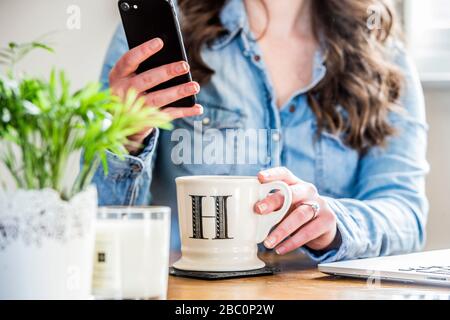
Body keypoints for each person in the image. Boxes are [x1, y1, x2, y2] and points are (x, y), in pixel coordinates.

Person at [93, 0, 429, 262]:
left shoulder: (382, 54)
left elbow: (405, 213)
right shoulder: (156, 41)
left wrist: (337, 222)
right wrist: (128, 138)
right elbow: (100, 216)